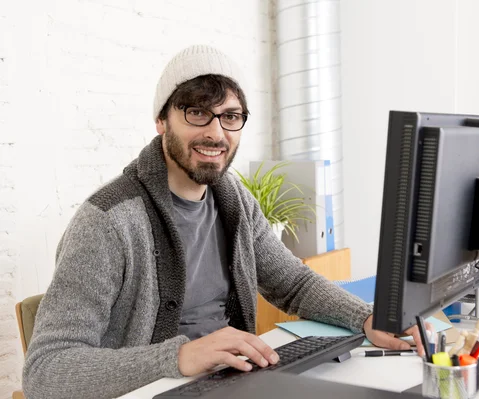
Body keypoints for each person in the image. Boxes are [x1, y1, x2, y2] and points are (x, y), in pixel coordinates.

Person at [22, 45, 429, 399]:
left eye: (231, 116)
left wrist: (366, 317)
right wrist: (179, 356)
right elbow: (45, 371)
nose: (217, 133)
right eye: (197, 113)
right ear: (161, 121)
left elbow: (294, 283)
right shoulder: (108, 221)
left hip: (230, 383)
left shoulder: (233, 199)